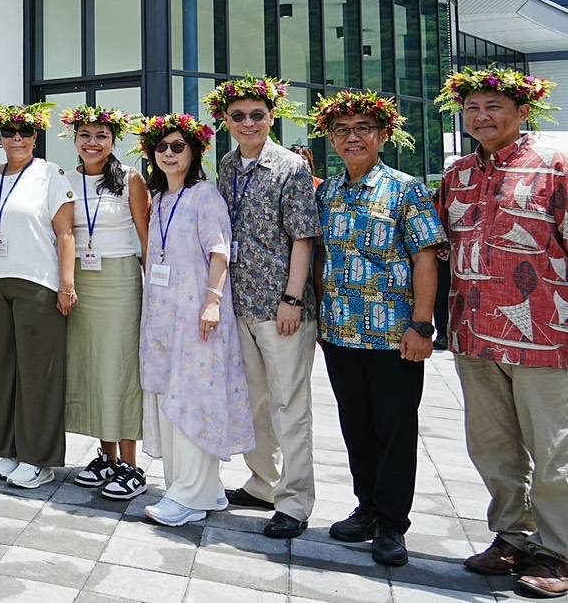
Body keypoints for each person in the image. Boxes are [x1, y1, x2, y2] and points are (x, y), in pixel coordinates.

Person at [436, 67, 568, 598]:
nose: (481, 116)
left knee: (555, 448)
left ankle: (558, 551)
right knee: (492, 446)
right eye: (472, 108)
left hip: (547, 334)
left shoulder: (555, 168)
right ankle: (511, 535)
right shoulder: (458, 175)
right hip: (474, 333)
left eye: (493, 105)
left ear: (522, 110)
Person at [312, 91, 444, 568]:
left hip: (393, 337)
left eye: (363, 128)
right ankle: (365, 508)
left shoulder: (406, 189)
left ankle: (391, 524)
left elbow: (425, 258)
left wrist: (422, 325)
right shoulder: (326, 192)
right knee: (356, 426)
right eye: (342, 130)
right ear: (331, 139)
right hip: (340, 333)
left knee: (394, 429)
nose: (353, 137)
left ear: (384, 135)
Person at [208, 76, 321, 539]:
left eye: (257, 114)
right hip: (240, 305)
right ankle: (263, 483)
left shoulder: (290, 167)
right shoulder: (228, 166)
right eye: (239, 116)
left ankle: (295, 502)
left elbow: (303, 236)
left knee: (289, 404)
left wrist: (292, 298)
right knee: (254, 401)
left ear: (272, 117)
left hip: (281, 309)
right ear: (227, 122)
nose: (248, 122)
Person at [136, 113, 252, 527]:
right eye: (161, 147)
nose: (168, 153)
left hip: (198, 316)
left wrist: (212, 302)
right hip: (163, 315)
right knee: (170, 397)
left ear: (194, 152)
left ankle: (190, 494)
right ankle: (195, 487)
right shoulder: (160, 199)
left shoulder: (205, 195)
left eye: (177, 147)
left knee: (193, 400)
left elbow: (220, 252)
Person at [0, 101, 75, 490]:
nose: (18, 137)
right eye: (10, 131)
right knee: (0, 371)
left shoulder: (50, 174)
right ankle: (10, 449)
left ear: (36, 137)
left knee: (38, 375)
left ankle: (39, 459)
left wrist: (67, 285)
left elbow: (66, 234)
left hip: (38, 283)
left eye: (26, 131)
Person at [61, 105, 151, 501]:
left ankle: (131, 464)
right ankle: (107, 457)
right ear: (75, 140)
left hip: (119, 281)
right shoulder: (64, 180)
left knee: (120, 368)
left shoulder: (130, 179)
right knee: (93, 367)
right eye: (85, 135)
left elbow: (148, 239)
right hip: (81, 280)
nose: (92, 143)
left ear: (114, 140)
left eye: (100, 136)